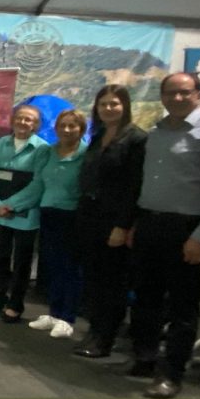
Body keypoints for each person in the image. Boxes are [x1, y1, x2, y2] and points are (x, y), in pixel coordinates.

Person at [130, 73, 200, 399]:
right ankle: (145, 358)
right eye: (170, 93)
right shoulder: (156, 133)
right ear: (162, 96)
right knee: (146, 297)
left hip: (187, 230)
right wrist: (136, 224)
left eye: (184, 92)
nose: (177, 98)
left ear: (198, 94)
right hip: (150, 224)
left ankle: (171, 373)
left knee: (182, 307)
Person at [72, 85, 146, 360]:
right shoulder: (98, 135)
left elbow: (134, 186)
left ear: (125, 106)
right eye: (103, 104)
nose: (108, 108)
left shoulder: (137, 139)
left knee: (112, 282)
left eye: (114, 103)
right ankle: (95, 330)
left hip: (115, 220)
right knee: (93, 278)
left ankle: (106, 337)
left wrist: (123, 225)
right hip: (90, 215)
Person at [0, 104, 48, 322]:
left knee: (21, 263)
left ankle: (15, 304)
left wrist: (10, 206)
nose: (23, 122)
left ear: (35, 125)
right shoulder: (0, 144)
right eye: (20, 118)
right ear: (13, 120)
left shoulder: (42, 149)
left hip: (24, 218)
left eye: (29, 119)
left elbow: (38, 184)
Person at [26, 109, 88, 339]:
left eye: (72, 126)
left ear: (81, 129)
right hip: (49, 213)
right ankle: (53, 313)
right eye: (63, 125)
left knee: (70, 269)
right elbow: (37, 184)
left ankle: (67, 318)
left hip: (73, 217)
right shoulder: (48, 152)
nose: (67, 130)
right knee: (52, 265)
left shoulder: (87, 154)